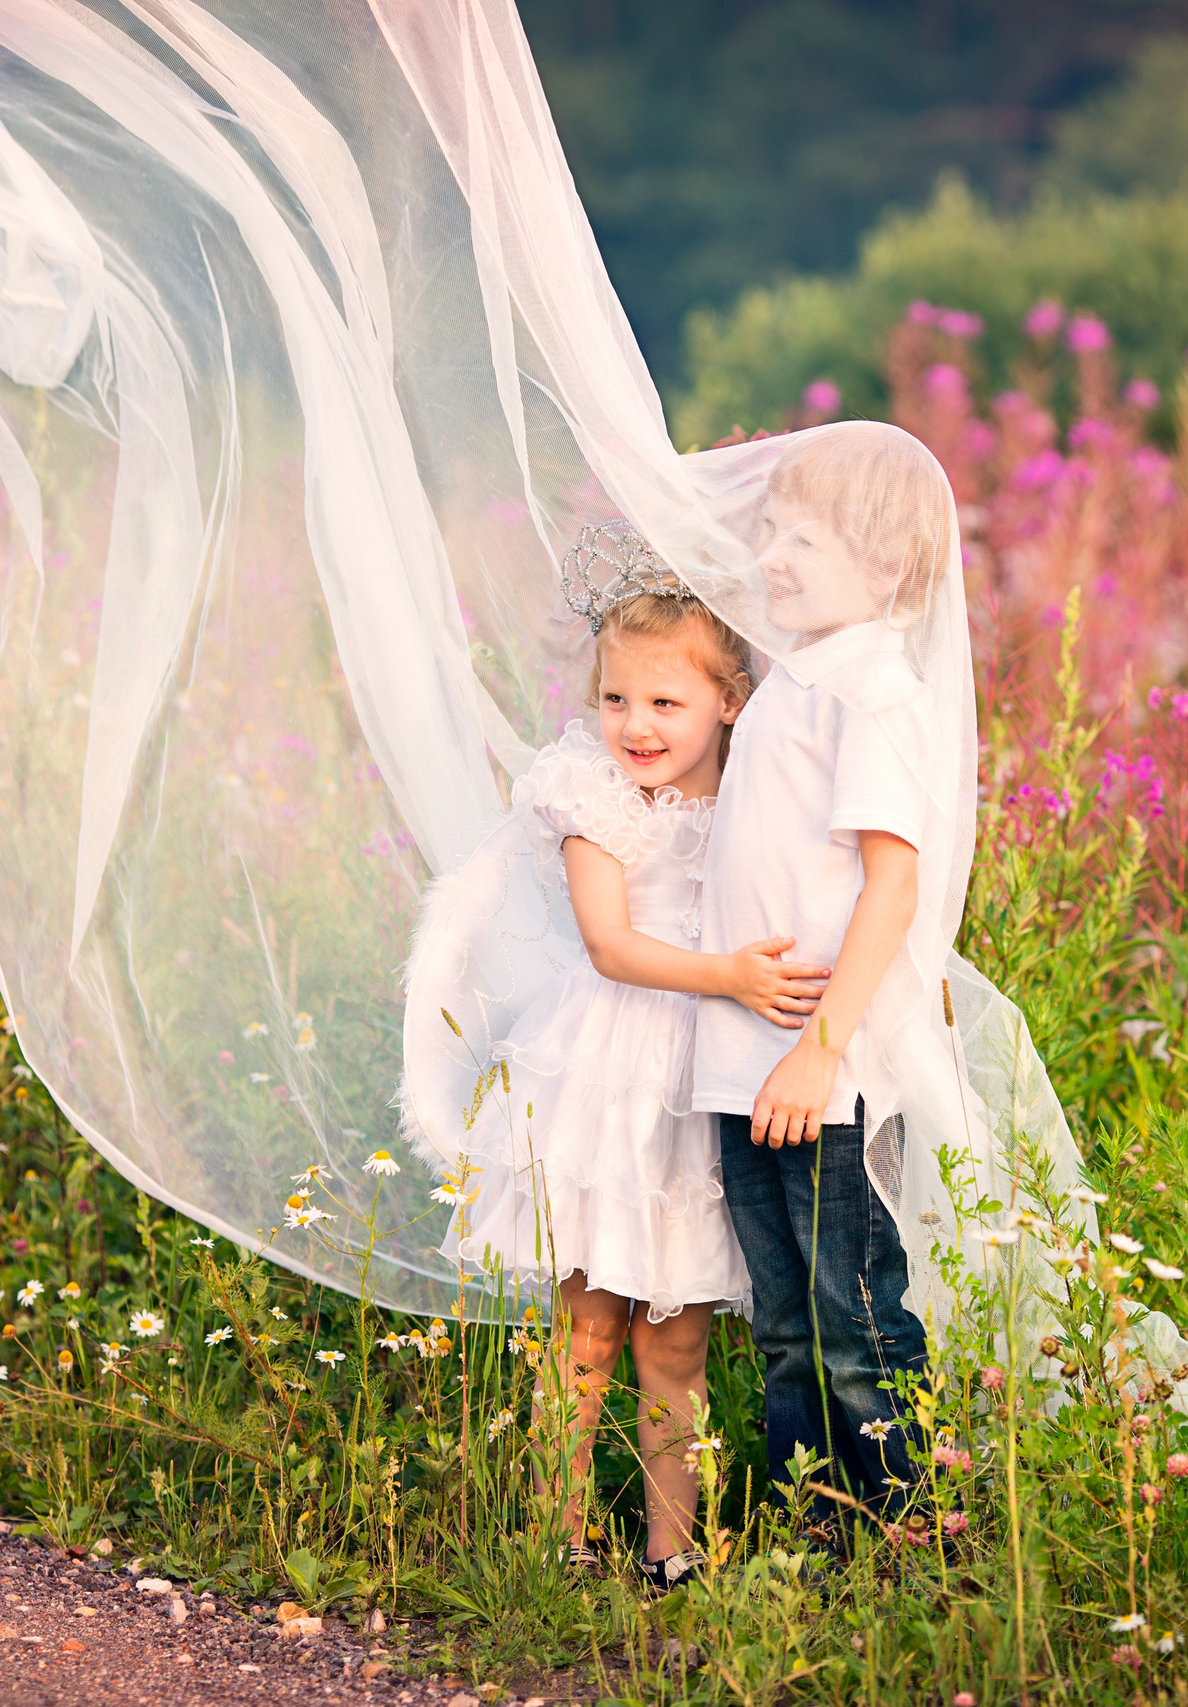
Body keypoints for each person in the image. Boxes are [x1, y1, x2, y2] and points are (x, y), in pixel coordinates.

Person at [416, 522, 828, 1586]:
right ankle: (556, 1535)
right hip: (606, 1073)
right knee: (587, 1330)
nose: (634, 726)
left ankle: (670, 1550)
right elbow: (611, 943)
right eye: (615, 700)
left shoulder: (756, 784)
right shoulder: (591, 796)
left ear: (728, 702)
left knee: (677, 1340)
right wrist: (734, 976)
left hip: (705, 1083)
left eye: (663, 703)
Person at [693, 422, 956, 1527]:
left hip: (818, 1065)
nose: (775, 557)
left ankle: (904, 1539)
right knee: (784, 1323)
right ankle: (814, 1537)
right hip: (743, 1055)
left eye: (806, 537)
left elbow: (892, 889)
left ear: (888, 568)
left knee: (852, 1317)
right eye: (770, 531)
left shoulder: (872, 692)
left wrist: (820, 1052)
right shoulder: (796, 677)